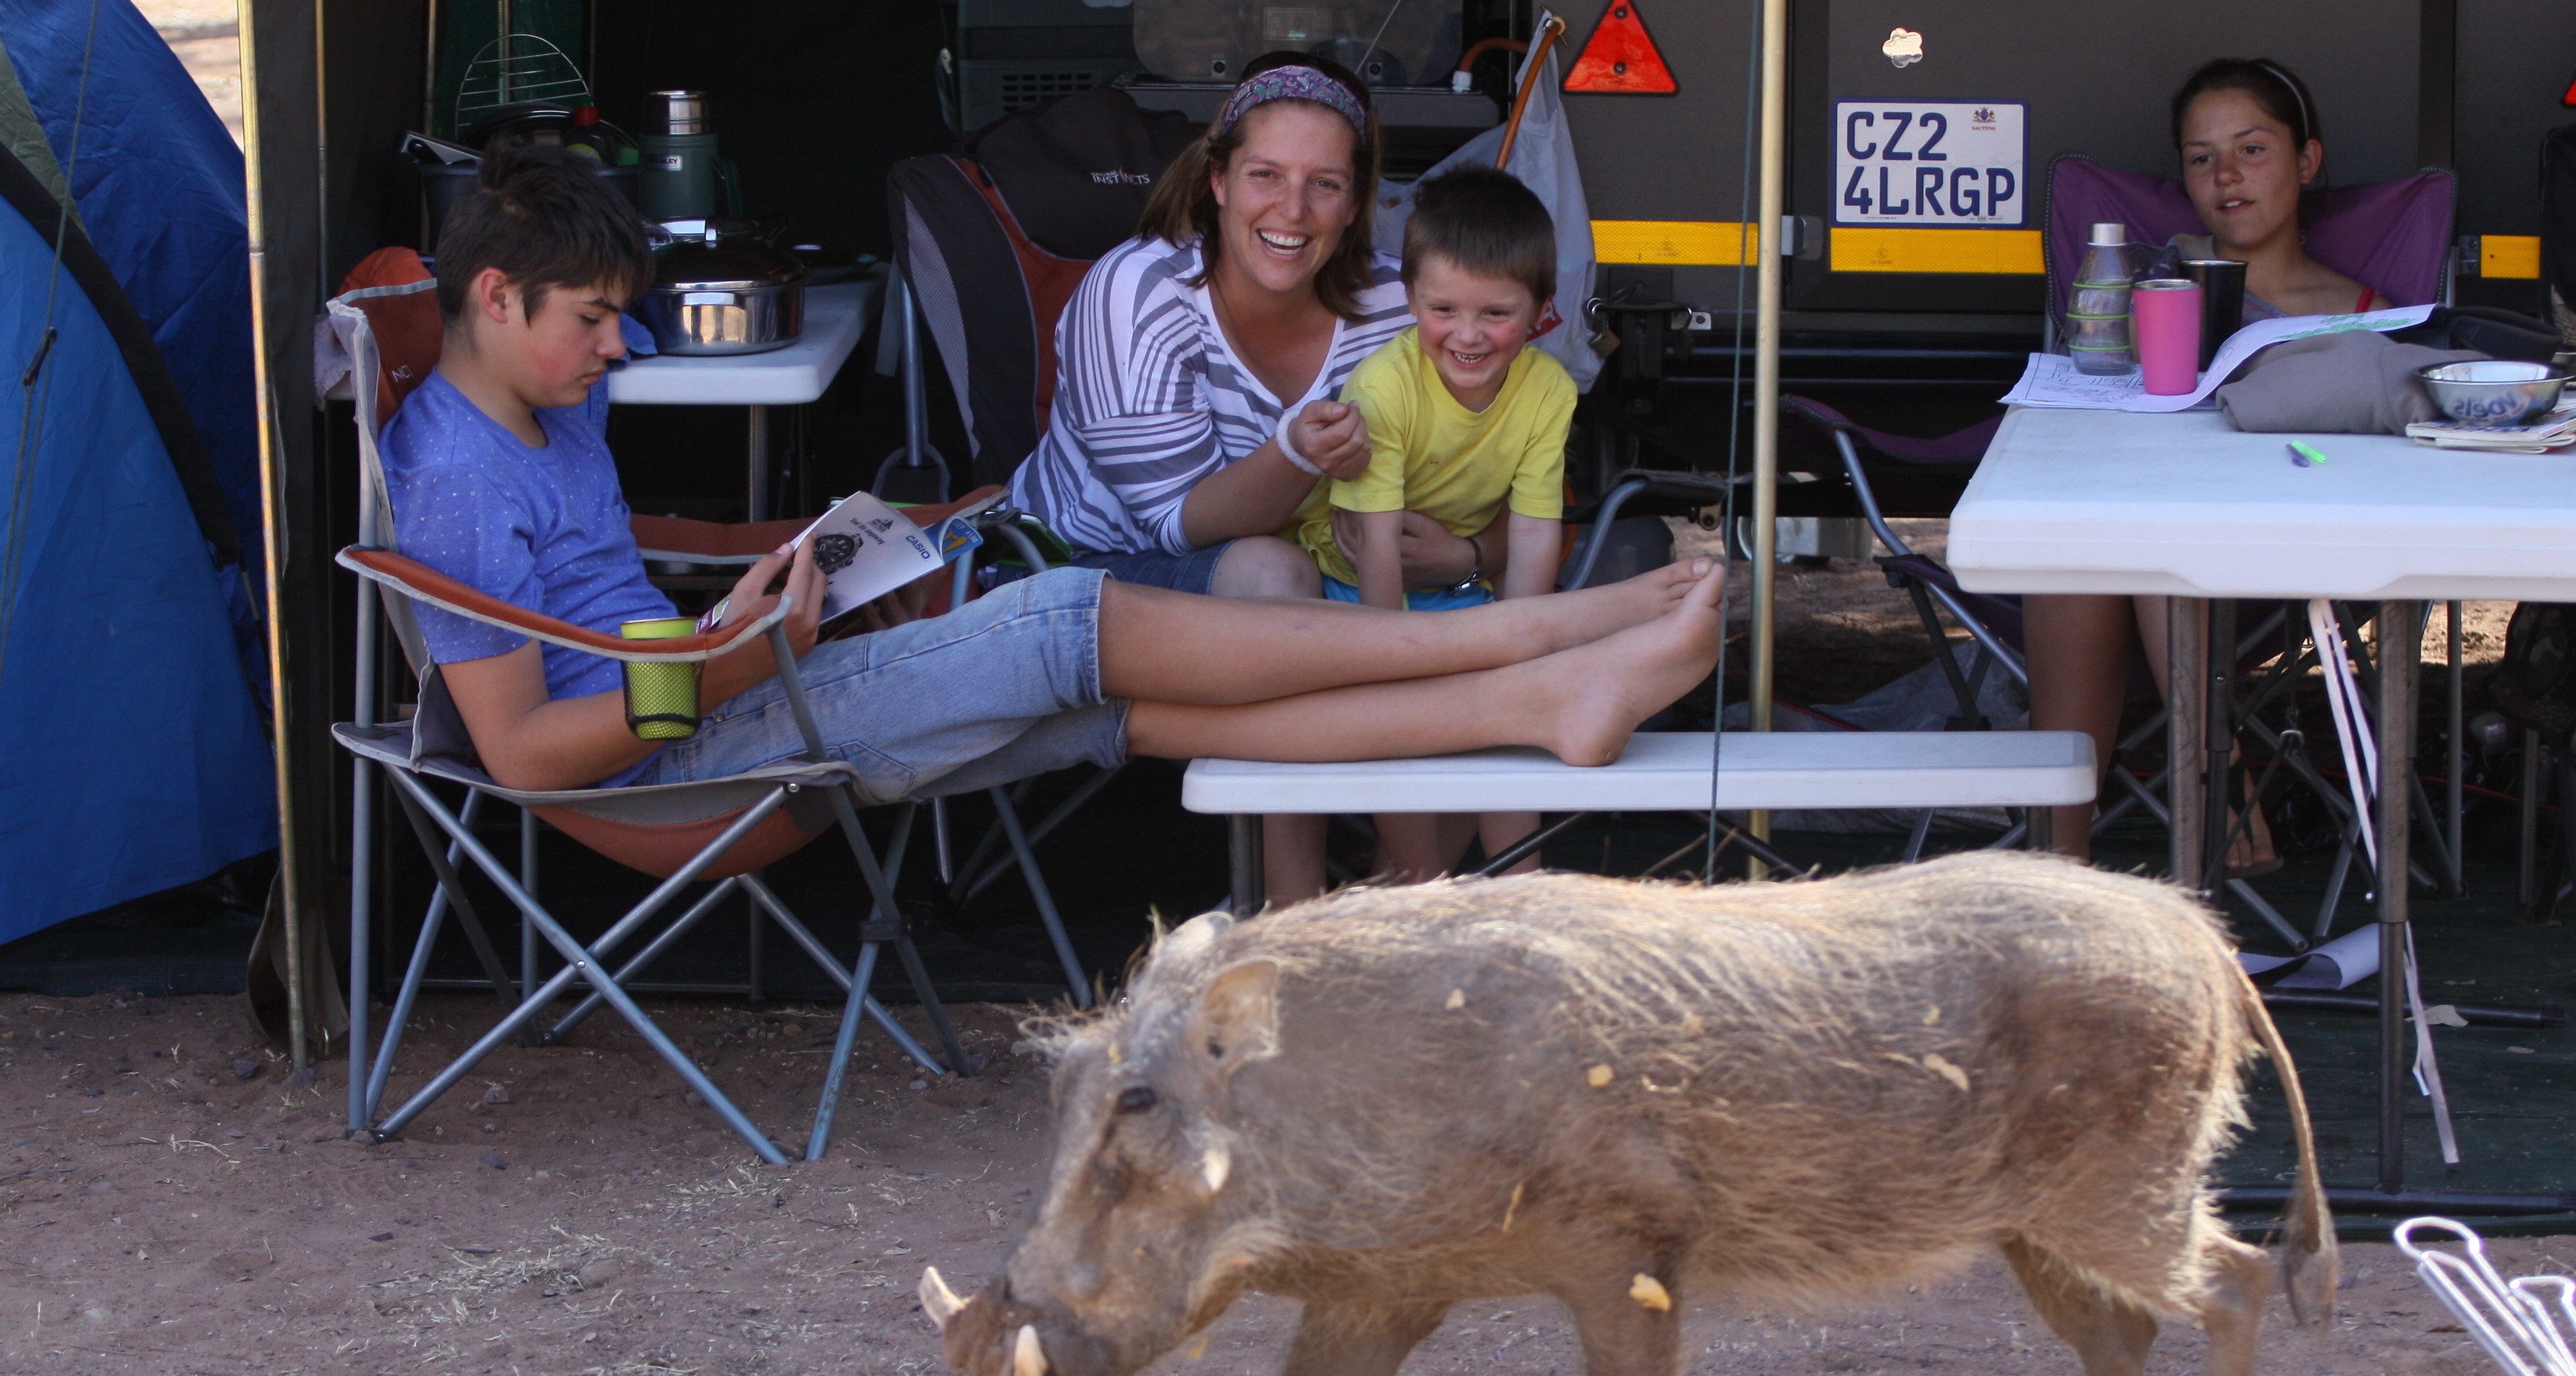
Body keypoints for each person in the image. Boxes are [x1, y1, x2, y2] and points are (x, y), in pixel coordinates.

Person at [383, 147, 1726, 847]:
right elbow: (524, 757)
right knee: (1064, 613)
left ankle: (1531, 700)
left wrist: (765, 598)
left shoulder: (552, 411)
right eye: (595, 320)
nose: (619, 349)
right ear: (494, 298)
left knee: (1122, 708)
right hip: (680, 765)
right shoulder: (451, 474)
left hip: (724, 688)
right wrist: (735, 659)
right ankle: (1523, 634)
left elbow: (604, 616)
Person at [1008, 53, 1512, 901]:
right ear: (1217, 181)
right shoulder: (1138, 292)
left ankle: (1395, 898)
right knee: (1279, 575)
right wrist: (1297, 454)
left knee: (1488, 612)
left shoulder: (1399, 308)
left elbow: (1518, 494)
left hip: (1327, 579)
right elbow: (1176, 524)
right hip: (1080, 570)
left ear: (1356, 204)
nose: (1291, 210)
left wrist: (1461, 555)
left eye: (1323, 185)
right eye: (1265, 176)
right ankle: (1293, 913)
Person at [2022, 58, 2377, 869]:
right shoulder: (2149, 290)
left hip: (2291, 550)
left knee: (2147, 536)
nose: (2225, 176)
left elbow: (2352, 453)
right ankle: (2059, 865)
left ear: (2306, 161)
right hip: (2157, 532)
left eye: (2251, 150)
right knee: (2079, 547)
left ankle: (2210, 779)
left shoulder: (2364, 314)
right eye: (2199, 157)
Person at [1307, 165, 1575, 880]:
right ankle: (1413, 893)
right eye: (1444, 309)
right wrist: (1392, 656)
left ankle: (1524, 895)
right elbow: (1374, 544)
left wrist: (1522, 644)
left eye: (1496, 314)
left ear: (1541, 310)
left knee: (1508, 731)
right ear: (1411, 299)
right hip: (1357, 588)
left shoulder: (1548, 390)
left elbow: (1532, 531)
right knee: (1397, 739)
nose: (1468, 335)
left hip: (1457, 592)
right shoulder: (1384, 386)